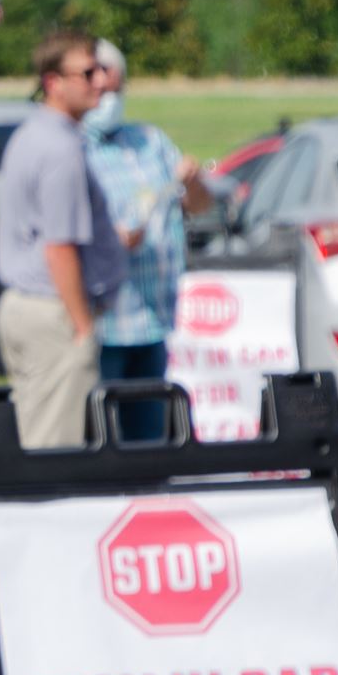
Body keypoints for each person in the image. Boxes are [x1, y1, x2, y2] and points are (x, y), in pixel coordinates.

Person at [0, 30, 129, 449]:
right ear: (53, 82)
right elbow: (59, 247)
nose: (101, 82)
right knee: (55, 451)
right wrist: (82, 326)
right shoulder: (59, 148)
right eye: (88, 73)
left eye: (101, 70)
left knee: (41, 437)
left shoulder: (37, 134)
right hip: (53, 312)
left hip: (32, 306)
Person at [82, 38, 211, 441]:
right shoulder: (72, 146)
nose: (108, 98)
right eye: (100, 88)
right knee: (102, 437)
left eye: (115, 88)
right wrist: (111, 240)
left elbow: (198, 205)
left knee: (148, 439)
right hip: (104, 320)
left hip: (152, 316)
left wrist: (193, 182)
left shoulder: (149, 140)